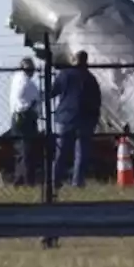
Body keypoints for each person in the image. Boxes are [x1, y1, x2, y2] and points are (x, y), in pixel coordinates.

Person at [49, 50, 101, 188]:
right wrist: (95, 119)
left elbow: (52, 92)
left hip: (65, 117)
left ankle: (55, 181)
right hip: (85, 118)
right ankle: (77, 182)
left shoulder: (65, 75)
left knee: (61, 151)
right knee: (82, 152)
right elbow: (97, 100)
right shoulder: (90, 78)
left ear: (74, 60)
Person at [8, 57, 41, 186]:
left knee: (20, 151)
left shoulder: (16, 79)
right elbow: (36, 98)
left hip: (15, 117)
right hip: (26, 117)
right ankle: (28, 181)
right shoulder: (28, 83)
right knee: (28, 151)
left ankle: (19, 179)